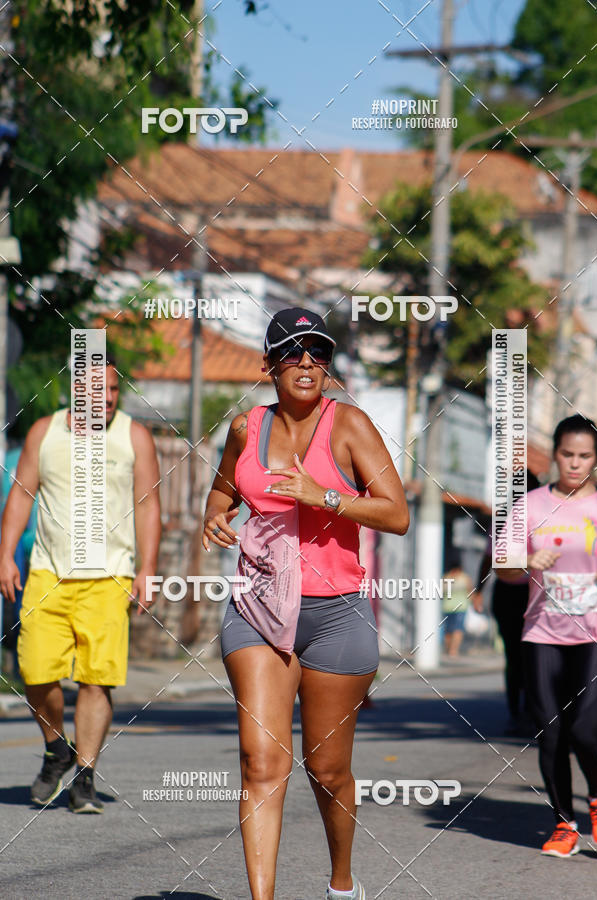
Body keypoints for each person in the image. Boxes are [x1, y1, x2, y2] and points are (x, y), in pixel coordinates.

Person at [203, 307, 409, 900]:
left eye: (318, 352)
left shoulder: (350, 426)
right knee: (261, 762)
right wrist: (216, 514)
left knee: (327, 769)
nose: (307, 362)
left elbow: (396, 514)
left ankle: (341, 880)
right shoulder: (246, 428)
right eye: (292, 352)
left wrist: (328, 497)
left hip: (336, 613)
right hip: (259, 609)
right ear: (267, 365)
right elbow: (222, 489)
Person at [0, 356, 161, 813]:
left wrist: (147, 568)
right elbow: (21, 496)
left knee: (96, 680)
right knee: (35, 671)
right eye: (99, 390)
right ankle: (57, 747)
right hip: (47, 573)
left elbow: (148, 507)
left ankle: (85, 778)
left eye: (114, 390)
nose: (108, 398)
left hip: (110, 576)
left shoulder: (134, 436)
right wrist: (5, 554)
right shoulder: (44, 433)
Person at [496, 415, 597, 857]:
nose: (574, 464)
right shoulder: (531, 505)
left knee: (585, 729)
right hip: (542, 632)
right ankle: (565, 823)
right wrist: (528, 562)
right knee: (552, 731)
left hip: (593, 634)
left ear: (595, 460)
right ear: (555, 454)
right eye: (567, 454)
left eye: (584, 456)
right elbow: (503, 567)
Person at [478, 470, 540, 734]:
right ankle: (523, 713)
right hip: (517, 594)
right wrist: (478, 589)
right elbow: (489, 556)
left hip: (528, 594)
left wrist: (478, 589)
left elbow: (486, 558)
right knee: (524, 656)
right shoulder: (507, 518)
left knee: (519, 657)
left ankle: (524, 713)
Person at [441, 553, 483, 657]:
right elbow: (470, 592)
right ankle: (452, 651)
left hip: (450, 607)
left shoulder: (446, 578)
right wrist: (476, 603)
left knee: (451, 629)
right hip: (457, 607)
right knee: (455, 629)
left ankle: (451, 650)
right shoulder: (464, 578)